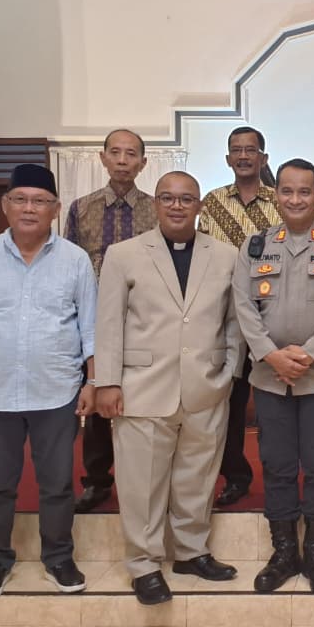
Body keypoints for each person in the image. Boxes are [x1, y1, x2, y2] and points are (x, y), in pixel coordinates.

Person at [0, 163, 97, 600]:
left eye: (40, 201)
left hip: (57, 391)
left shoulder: (75, 260)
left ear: (56, 209)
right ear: (6, 205)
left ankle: (59, 557)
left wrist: (92, 381)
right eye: (21, 199)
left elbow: (90, 328)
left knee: (58, 484)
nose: (30, 208)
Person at [95, 171, 244, 604]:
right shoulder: (123, 255)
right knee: (141, 483)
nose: (177, 206)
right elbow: (108, 323)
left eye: (186, 199)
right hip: (142, 386)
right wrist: (107, 381)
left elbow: (235, 321)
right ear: (155, 204)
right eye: (167, 198)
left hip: (205, 385)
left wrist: (229, 372)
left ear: (200, 206)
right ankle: (143, 563)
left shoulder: (227, 255)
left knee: (197, 476)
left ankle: (191, 552)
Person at [232, 158, 314, 594]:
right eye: (287, 191)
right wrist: (271, 355)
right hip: (270, 378)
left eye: (304, 191)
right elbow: (242, 305)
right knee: (277, 465)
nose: (295, 199)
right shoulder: (255, 246)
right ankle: (284, 551)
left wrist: (307, 354)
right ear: (276, 196)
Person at [63, 129, 156, 514]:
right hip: (94, 317)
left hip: (144, 320)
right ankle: (97, 480)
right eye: (115, 152)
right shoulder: (81, 208)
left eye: (130, 154)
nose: (122, 160)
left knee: (144, 401)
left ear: (143, 163)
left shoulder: (156, 209)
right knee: (99, 395)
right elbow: (69, 264)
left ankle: (145, 481)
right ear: (102, 158)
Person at [199, 126, 281, 508]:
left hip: (272, 317)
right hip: (225, 317)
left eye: (251, 150)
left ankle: (279, 476)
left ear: (263, 158)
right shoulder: (212, 203)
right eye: (237, 150)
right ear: (228, 158)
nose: (244, 156)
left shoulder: (281, 201)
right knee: (228, 402)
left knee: (274, 403)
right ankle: (235, 475)